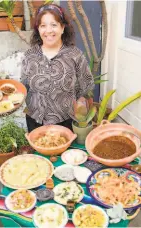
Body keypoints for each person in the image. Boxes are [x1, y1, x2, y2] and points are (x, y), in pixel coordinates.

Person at [21, 3, 94, 132]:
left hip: (65, 121)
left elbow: (86, 86)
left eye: (54, 25)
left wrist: (82, 113)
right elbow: (23, 87)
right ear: (38, 29)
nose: (48, 30)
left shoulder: (75, 55)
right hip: (35, 121)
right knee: (37, 152)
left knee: (65, 152)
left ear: (63, 27)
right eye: (43, 25)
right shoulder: (30, 56)